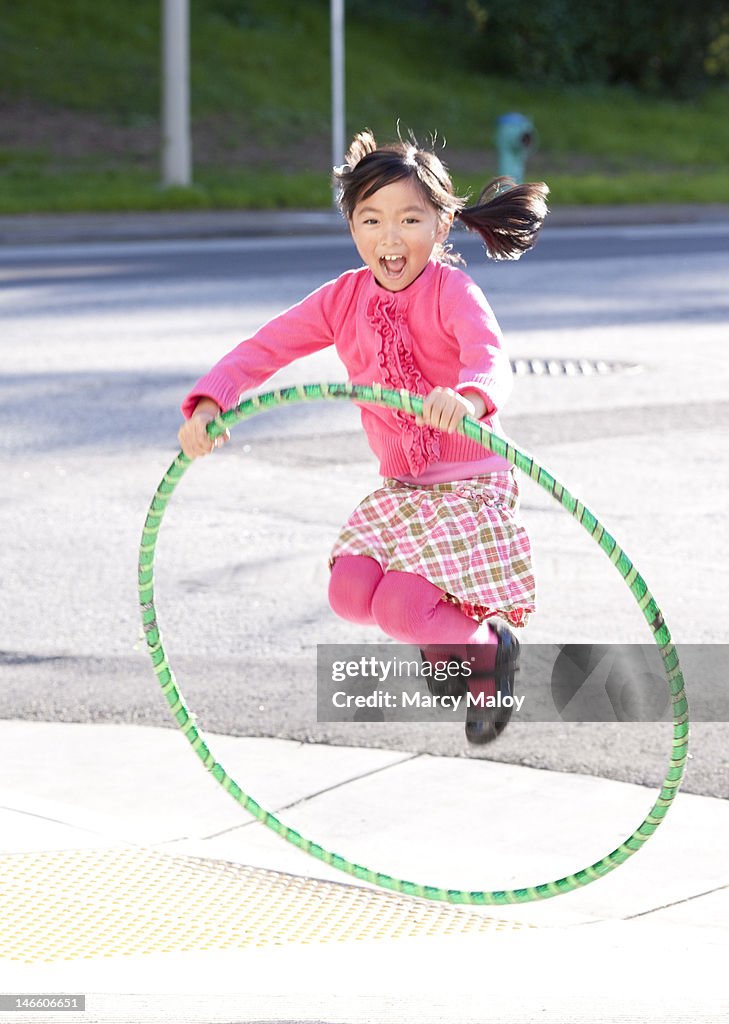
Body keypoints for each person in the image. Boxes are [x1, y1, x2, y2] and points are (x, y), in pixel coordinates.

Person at [178, 129, 549, 744]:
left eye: (410, 219)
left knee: (401, 608)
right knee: (351, 595)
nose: (390, 237)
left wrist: (469, 398)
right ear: (352, 225)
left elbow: (492, 359)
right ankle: (448, 645)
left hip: (469, 482)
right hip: (403, 487)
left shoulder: (453, 291)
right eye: (371, 219)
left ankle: (488, 647)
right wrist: (212, 400)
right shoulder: (342, 299)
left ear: (440, 225)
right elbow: (264, 348)